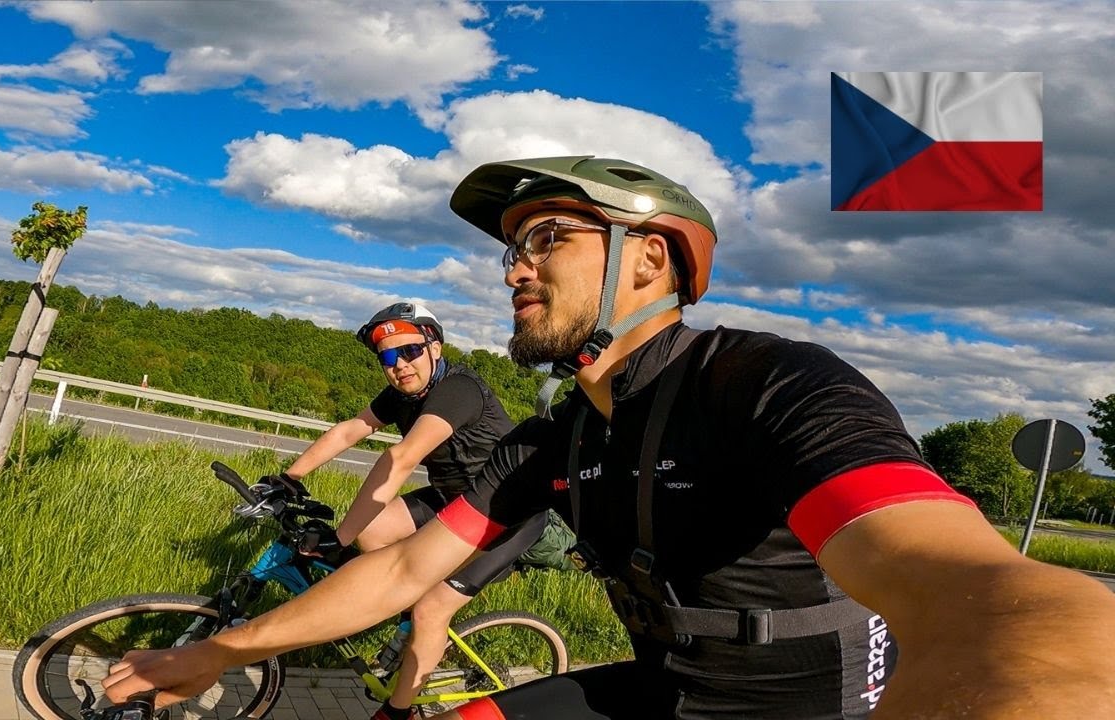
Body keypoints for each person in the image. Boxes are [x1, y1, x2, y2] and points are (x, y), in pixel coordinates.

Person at [103, 157, 1115, 719]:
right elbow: (404, 569)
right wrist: (216, 651)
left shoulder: (763, 385)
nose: (513, 267)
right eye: (511, 247)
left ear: (651, 264)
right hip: (664, 688)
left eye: (548, 237)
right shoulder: (558, 438)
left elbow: (992, 595)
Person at [255, 301, 549, 720]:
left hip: (508, 514)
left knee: (432, 606)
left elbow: (403, 457)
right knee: (373, 529)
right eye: (388, 358)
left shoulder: (458, 390)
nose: (399, 365)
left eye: (409, 351)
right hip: (454, 501)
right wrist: (291, 476)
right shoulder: (401, 395)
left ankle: (399, 709)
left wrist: (336, 541)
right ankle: (404, 622)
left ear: (435, 347)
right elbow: (350, 430)